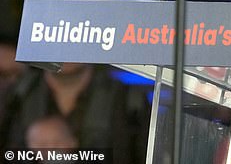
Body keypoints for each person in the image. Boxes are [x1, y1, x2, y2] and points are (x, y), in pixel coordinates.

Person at [1, 63, 150, 164]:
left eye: (74, 33)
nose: (65, 44)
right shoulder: (11, 98)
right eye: (57, 32)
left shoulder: (128, 101)